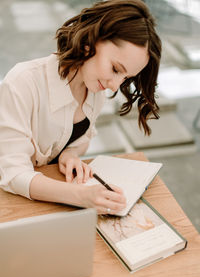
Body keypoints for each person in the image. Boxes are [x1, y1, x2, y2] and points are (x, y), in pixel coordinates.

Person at [0, 0, 161, 215]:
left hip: (45, 200)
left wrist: (69, 154)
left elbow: (81, 139)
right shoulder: (22, 83)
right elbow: (14, 174)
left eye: (125, 78)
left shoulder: (94, 90)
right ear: (89, 42)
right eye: (115, 69)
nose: (115, 84)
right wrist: (82, 197)